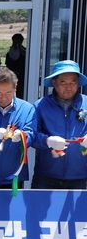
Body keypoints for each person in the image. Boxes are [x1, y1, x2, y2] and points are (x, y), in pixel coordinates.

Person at [31, 60, 87, 189]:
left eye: (73, 81)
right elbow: (31, 136)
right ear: (54, 83)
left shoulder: (86, 103)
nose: (69, 86)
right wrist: (47, 141)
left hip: (79, 176)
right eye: (63, 82)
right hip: (45, 176)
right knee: (38, 209)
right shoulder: (40, 106)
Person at [0, 67, 36, 189]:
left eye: (8, 93)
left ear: (15, 88)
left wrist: (22, 137)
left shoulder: (27, 109)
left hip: (14, 177)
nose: (3, 98)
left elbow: (32, 135)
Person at [5, 33, 26, 99]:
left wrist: (19, 48)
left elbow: (27, 56)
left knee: (21, 93)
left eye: (18, 41)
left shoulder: (25, 51)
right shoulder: (10, 53)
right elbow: (7, 64)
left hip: (22, 77)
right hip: (12, 76)